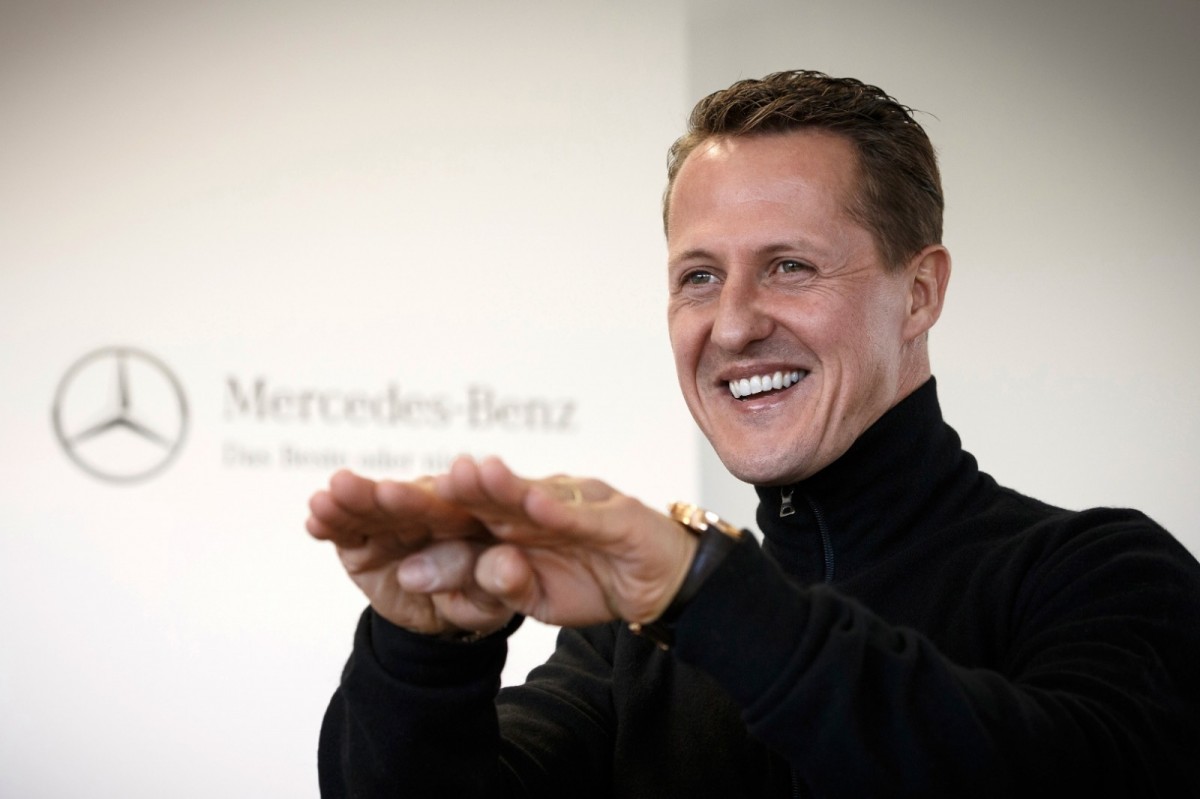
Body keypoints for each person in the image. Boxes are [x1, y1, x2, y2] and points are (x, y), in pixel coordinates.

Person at [306, 71, 1200, 797]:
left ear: (920, 293)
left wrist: (705, 594)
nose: (732, 325)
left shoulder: (1105, 575)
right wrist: (423, 648)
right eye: (699, 276)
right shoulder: (630, 638)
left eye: (789, 266)